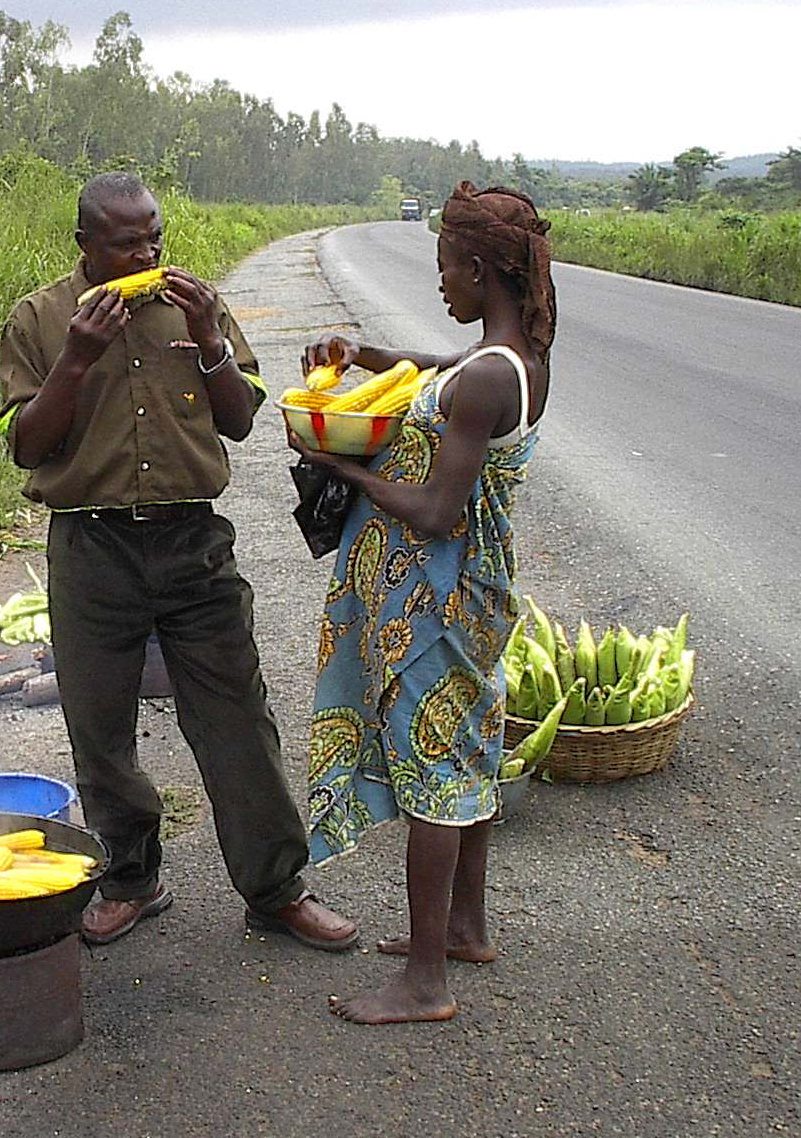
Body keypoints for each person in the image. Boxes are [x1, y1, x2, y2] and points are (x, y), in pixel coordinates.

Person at [0, 172, 357, 951]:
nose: (147, 251)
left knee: (236, 720)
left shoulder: (194, 307)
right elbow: (28, 444)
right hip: (92, 546)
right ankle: (131, 878)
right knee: (100, 730)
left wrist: (215, 345)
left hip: (193, 543)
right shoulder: (41, 317)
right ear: (86, 243)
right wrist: (77, 359)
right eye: (127, 241)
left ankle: (275, 889)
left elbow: (240, 420)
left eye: (154, 236)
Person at [289, 182, 555, 1023]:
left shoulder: (484, 381)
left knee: (433, 768)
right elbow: (440, 372)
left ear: (478, 268)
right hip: (474, 590)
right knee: (467, 754)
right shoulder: (509, 361)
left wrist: (344, 470)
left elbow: (438, 513)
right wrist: (366, 356)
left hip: (439, 599)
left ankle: (426, 981)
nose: (440, 281)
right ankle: (466, 928)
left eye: (445, 267)